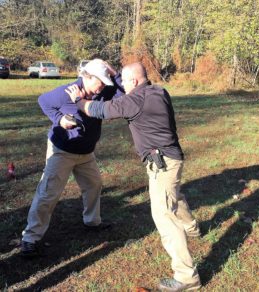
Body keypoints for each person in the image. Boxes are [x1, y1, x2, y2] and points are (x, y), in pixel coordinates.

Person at [65, 62, 201, 291]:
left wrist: (78, 100)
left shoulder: (134, 100)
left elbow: (99, 110)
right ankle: (193, 228)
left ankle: (187, 278)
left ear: (134, 82)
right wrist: (117, 73)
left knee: (164, 216)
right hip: (170, 158)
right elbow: (126, 87)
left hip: (163, 163)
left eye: (124, 82)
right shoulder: (158, 91)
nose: (121, 86)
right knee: (173, 195)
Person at [21, 59, 124, 257]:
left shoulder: (101, 92)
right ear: (87, 76)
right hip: (62, 151)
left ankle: (92, 222)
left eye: (104, 82)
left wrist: (113, 71)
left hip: (86, 153)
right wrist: (59, 119)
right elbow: (43, 101)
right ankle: (30, 238)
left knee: (94, 185)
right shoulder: (65, 92)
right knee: (48, 193)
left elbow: (122, 93)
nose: (101, 86)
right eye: (99, 82)